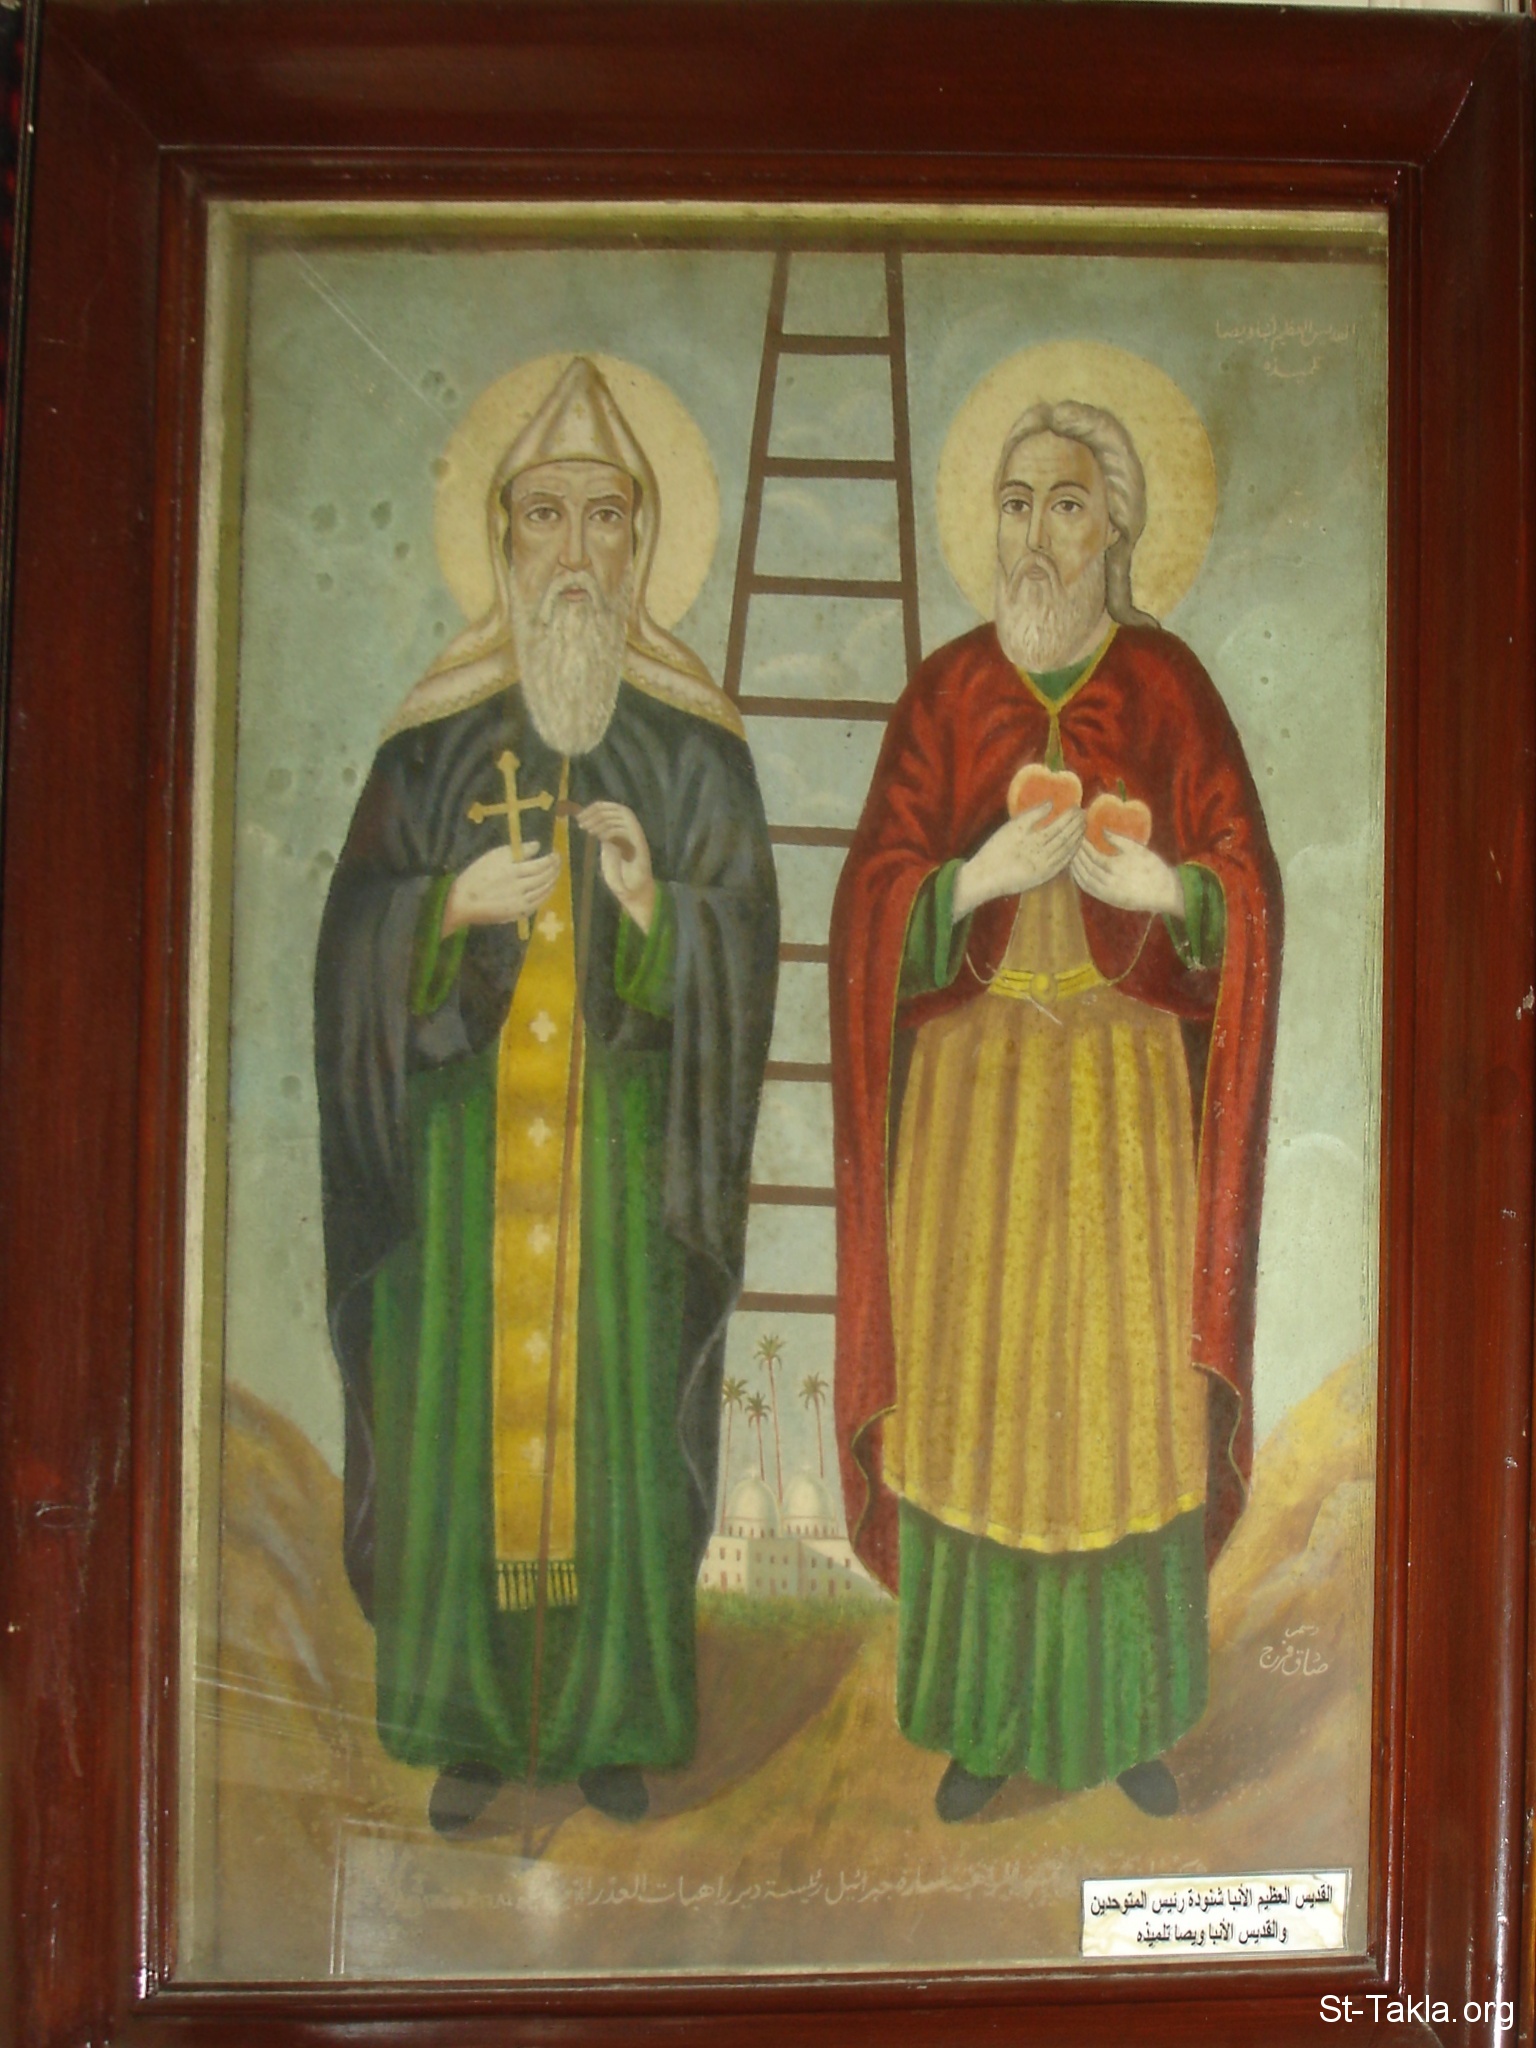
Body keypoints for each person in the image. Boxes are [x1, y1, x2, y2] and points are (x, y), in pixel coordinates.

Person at [315, 357, 778, 1833]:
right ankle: (466, 1728)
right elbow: (348, 939)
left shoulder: (695, 742)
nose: (574, 552)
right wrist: (445, 908)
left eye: (603, 517)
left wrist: (651, 910)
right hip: (458, 1167)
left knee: (617, 1430)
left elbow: (744, 942)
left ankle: (610, 1727)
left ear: (643, 536)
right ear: (503, 535)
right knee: (459, 1432)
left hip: (626, 1166)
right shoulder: (431, 739)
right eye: (544, 516)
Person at [829, 399, 1281, 1822]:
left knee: (1122, 1401)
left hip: (1125, 1107)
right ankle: (984, 1722)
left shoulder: (1169, 687)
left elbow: (1249, 888)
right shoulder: (947, 693)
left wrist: (1171, 890)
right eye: (1016, 502)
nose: (1037, 533)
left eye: (1067, 503)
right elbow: (868, 897)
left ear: (1116, 529)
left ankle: (1126, 1715)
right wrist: (969, 881)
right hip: (971, 1110)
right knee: (977, 1396)